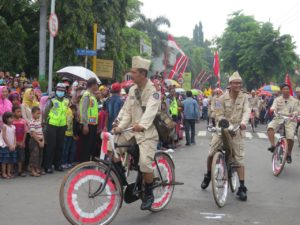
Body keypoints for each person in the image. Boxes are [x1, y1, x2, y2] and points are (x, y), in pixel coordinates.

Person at [112, 56, 161, 210]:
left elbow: (151, 111)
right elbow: (127, 111)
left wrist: (142, 125)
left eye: (133, 73)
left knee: (145, 164)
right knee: (113, 147)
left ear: (142, 74)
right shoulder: (132, 89)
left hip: (147, 132)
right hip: (132, 131)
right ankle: (121, 180)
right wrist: (119, 125)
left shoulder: (154, 91)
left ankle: (148, 193)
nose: (131, 75)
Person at [201, 71, 250, 201]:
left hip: (237, 130)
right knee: (211, 153)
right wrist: (224, 123)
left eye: (240, 83)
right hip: (222, 128)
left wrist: (244, 122)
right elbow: (218, 113)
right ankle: (208, 175)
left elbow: (247, 111)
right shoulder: (220, 98)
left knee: (239, 159)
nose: (238, 85)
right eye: (235, 83)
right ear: (230, 84)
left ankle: (242, 187)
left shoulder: (245, 97)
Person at [267, 84, 299, 163]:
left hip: (290, 119)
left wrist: (295, 113)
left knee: (290, 137)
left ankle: (288, 154)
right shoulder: (277, 99)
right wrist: (272, 109)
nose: (286, 90)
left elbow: (298, 110)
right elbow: (273, 107)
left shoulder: (295, 101)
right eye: (284, 89)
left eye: (287, 89)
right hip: (279, 118)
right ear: (281, 91)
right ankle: (273, 145)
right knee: (270, 127)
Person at [44, 83, 69, 173]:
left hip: (62, 125)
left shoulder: (66, 100)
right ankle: (48, 166)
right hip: (52, 125)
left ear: (65, 91)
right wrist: (45, 122)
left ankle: (57, 164)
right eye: (59, 90)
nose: (60, 92)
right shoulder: (52, 100)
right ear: (56, 90)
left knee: (60, 146)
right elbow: (45, 112)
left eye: (62, 90)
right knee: (51, 146)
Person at [79, 78, 99, 162]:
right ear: (93, 85)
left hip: (93, 124)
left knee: (91, 144)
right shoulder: (86, 95)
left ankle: (88, 161)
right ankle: (84, 162)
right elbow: (84, 110)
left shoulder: (92, 95)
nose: (97, 86)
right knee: (86, 145)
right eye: (97, 84)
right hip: (88, 124)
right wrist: (85, 125)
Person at [29, 106, 45, 177]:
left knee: (40, 155)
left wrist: (43, 141)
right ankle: (33, 170)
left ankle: (37, 168)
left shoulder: (39, 122)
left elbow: (41, 132)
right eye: (37, 113)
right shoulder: (32, 122)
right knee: (34, 155)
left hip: (40, 140)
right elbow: (33, 134)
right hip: (34, 141)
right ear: (32, 114)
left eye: (39, 114)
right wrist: (39, 142)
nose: (39, 115)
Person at [0, 112, 17, 179]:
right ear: (6, 119)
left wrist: (14, 144)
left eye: (13, 118)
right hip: (5, 145)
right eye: (11, 118)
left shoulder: (13, 127)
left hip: (12, 145)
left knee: (10, 160)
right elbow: (4, 136)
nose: (12, 119)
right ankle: (4, 173)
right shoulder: (4, 126)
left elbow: (14, 136)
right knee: (5, 160)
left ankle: (8, 172)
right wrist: (9, 145)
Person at [12, 105, 27, 177]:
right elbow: (12, 133)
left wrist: (23, 142)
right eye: (18, 112)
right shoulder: (12, 122)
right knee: (14, 156)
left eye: (20, 111)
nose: (19, 113)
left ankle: (20, 171)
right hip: (14, 143)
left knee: (21, 157)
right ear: (13, 113)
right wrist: (16, 142)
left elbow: (25, 132)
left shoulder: (23, 121)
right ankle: (13, 170)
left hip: (21, 142)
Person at [62, 105, 77, 169]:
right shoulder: (65, 110)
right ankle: (63, 162)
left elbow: (72, 124)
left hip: (70, 134)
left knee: (67, 149)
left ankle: (66, 162)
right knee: (64, 149)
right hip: (65, 133)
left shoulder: (70, 112)